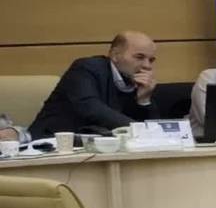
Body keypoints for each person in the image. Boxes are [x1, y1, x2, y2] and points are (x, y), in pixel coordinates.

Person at [29, 31, 159, 138]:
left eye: (151, 60)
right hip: (51, 142)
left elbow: (148, 130)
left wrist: (143, 100)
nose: (147, 66)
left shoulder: (135, 81)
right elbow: (90, 107)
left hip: (102, 146)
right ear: (115, 55)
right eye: (139, 57)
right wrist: (140, 129)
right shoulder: (86, 68)